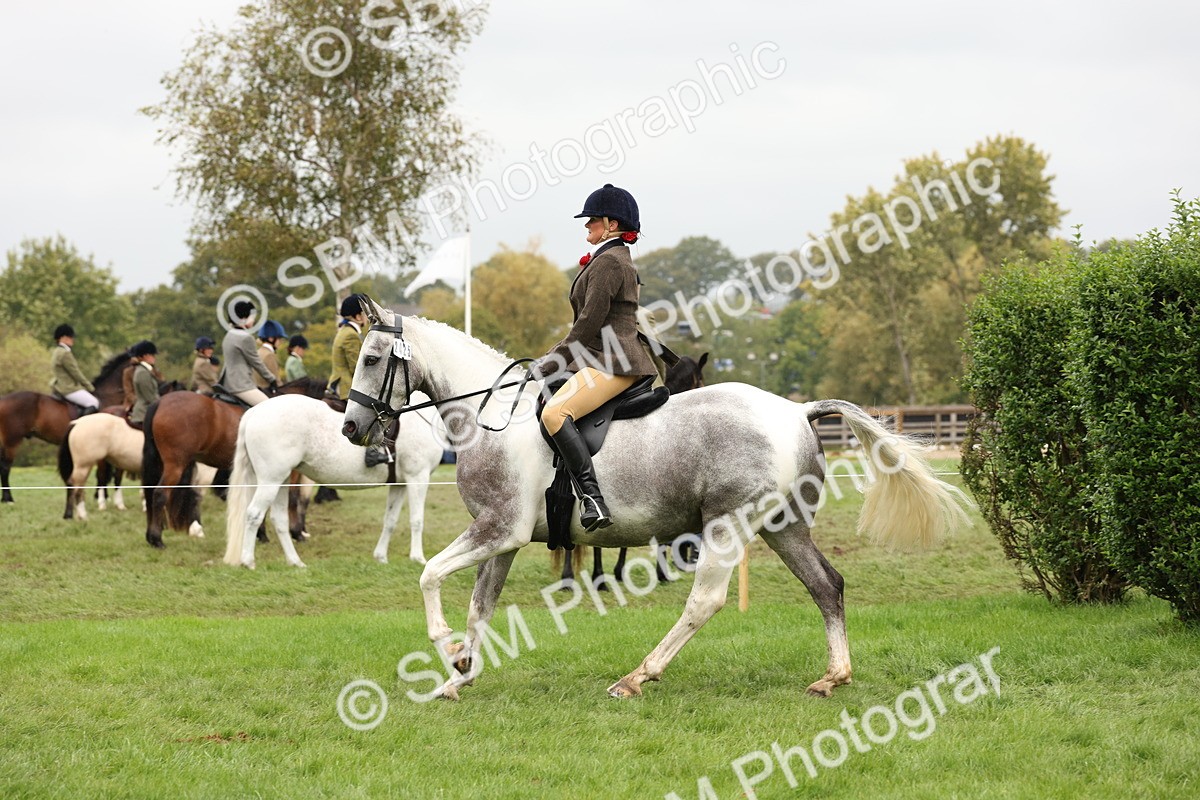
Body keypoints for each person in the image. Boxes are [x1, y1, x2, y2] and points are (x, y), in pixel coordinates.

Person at [535, 184, 658, 531]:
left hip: (614, 360)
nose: (587, 225)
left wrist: (552, 361)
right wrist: (550, 356)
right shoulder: (610, 258)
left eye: (592, 220)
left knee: (555, 413)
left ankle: (592, 498)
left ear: (611, 224)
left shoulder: (609, 262)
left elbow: (588, 323)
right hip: (602, 356)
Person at [221, 301, 277, 406]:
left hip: (227, 384)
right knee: (269, 407)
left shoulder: (229, 334)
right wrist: (272, 379)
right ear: (243, 318)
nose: (253, 321)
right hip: (241, 386)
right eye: (252, 318)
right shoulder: (246, 337)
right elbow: (256, 362)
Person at [49, 324, 99, 414]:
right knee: (94, 402)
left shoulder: (56, 351)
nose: (73, 339)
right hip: (68, 388)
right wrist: (90, 387)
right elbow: (76, 373)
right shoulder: (65, 353)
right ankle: (81, 423)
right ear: (63, 337)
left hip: (58, 386)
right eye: (70, 337)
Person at [330, 295, 367, 400]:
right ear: (358, 317)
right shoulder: (351, 335)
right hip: (345, 387)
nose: (368, 318)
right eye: (365, 313)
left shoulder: (345, 331)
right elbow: (356, 368)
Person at [127, 341, 159, 429]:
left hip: (149, 411)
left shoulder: (146, 370)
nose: (154, 357)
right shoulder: (142, 373)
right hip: (144, 414)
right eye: (152, 355)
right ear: (144, 356)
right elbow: (149, 397)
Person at [255, 320, 286, 389]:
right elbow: (277, 382)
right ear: (271, 339)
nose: (281, 342)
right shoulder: (269, 355)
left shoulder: (257, 352)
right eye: (279, 338)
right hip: (266, 392)